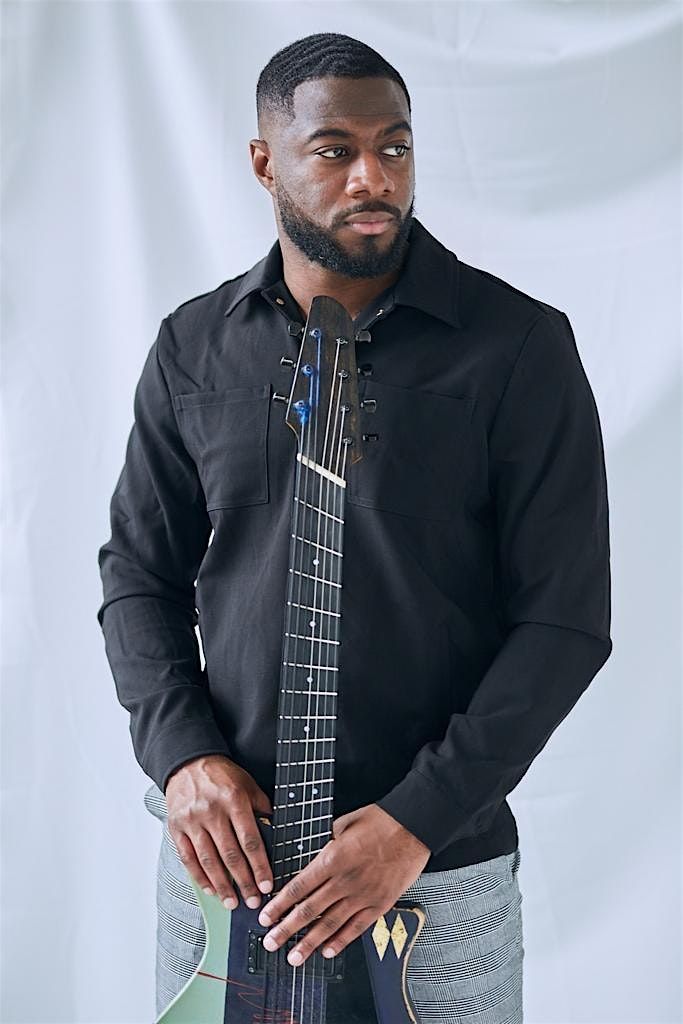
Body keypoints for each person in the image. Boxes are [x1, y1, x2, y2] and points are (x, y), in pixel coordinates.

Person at [97, 31, 612, 1024]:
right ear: (265, 163)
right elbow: (138, 575)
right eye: (334, 150)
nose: (373, 177)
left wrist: (416, 819)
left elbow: (563, 622)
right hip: (224, 869)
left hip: (433, 868)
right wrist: (183, 756)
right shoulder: (196, 345)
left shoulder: (517, 347)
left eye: (394, 146)